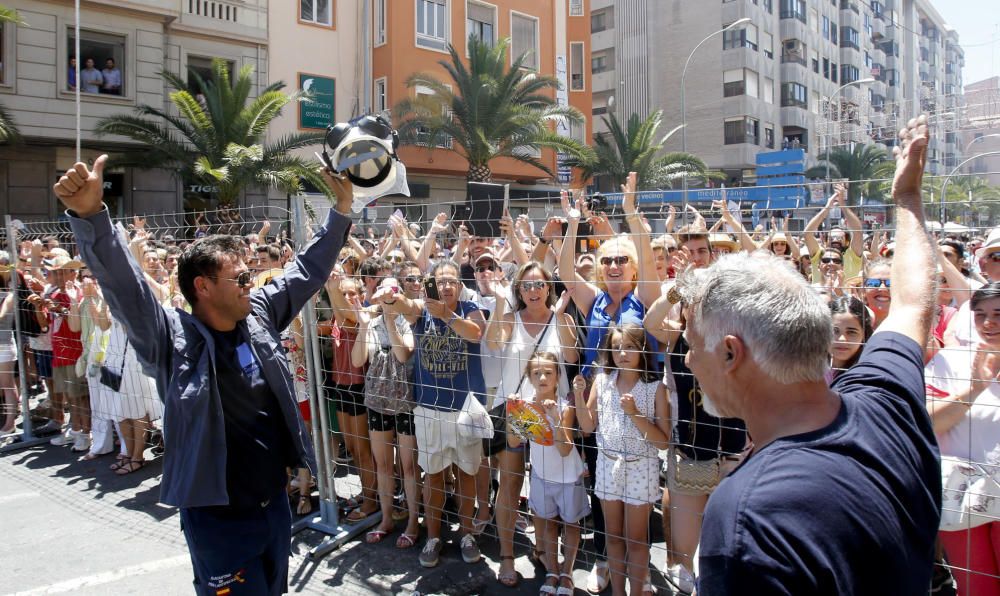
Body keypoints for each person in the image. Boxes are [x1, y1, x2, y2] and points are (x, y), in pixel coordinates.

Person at [54, 153, 355, 596]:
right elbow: (126, 289)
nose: (251, 285)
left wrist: (342, 210)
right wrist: (91, 216)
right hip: (217, 520)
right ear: (203, 286)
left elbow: (307, 270)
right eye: (240, 278)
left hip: (274, 509)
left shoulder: (259, 315)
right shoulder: (170, 340)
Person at [684, 116, 941, 593]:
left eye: (692, 345)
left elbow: (911, 306)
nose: (686, 362)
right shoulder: (888, 404)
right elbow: (912, 306)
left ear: (729, 354)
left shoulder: (747, 520)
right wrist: (907, 198)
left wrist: (906, 197)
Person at [482, 261, 578, 588]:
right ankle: (507, 556)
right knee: (509, 483)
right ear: (519, 290)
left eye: (539, 285)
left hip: (551, 412)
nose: (533, 291)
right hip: (516, 412)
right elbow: (494, 343)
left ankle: (542, 548)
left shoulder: (562, 319)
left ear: (549, 287)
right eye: (527, 286)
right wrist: (497, 301)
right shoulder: (510, 319)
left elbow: (572, 357)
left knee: (546, 481)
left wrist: (561, 313)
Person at [392, 260, 487, 569]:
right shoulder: (421, 309)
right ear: (431, 284)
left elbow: (475, 334)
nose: (446, 286)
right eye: (440, 281)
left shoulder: (470, 306)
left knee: (466, 475)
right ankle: (433, 536)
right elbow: (406, 306)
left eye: (451, 281)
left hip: (464, 409)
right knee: (432, 477)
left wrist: (447, 315)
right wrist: (393, 297)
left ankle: (467, 534)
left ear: (460, 286)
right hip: (430, 409)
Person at [575, 324, 670, 596]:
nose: (622, 353)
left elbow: (662, 441)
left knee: (637, 541)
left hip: (641, 466)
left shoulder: (655, 388)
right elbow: (587, 427)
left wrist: (635, 413)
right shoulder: (603, 380)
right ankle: (618, 591)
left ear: (642, 350)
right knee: (613, 538)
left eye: (629, 346)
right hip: (606, 464)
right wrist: (581, 399)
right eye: (616, 347)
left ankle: (637, 590)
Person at [925, 282, 1000, 596]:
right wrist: (974, 389)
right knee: (977, 588)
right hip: (960, 496)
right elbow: (925, 423)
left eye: (998, 314)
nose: (988, 323)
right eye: (980, 314)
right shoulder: (949, 361)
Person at [511, 352, 588, 596]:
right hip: (541, 475)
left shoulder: (565, 408)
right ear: (529, 378)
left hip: (567, 477)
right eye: (536, 373)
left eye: (548, 373)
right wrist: (513, 414)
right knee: (547, 525)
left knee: (571, 524)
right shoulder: (525, 406)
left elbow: (565, 449)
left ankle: (567, 571)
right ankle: (552, 570)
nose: (542, 377)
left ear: (557, 377)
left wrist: (555, 419)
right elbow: (514, 441)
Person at [826, 295, 873, 384]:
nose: (842, 339)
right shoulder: (806, 368)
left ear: (864, 335)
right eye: (835, 331)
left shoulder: (868, 373)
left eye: (851, 332)